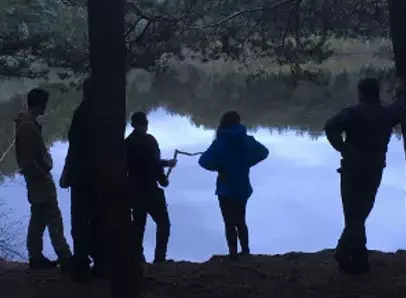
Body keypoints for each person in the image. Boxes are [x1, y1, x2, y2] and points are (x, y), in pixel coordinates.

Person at [325, 77, 400, 274]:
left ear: (360, 92)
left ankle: (347, 255)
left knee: (353, 214)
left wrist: (343, 149)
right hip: (375, 169)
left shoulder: (353, 112)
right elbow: (399, 107)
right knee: (360, 212)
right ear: (377, 92)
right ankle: (357, 259)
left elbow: (330, 126)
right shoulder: (387, 113)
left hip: (353, 168)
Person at [198, 111, 269, 260]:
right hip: (242, 188)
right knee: (241, 221)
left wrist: (218, 166)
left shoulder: (219, 142)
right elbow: (264, 152)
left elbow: (203, 161)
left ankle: (233, 254)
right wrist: (248, 162)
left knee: (229, 223)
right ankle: (246, 252)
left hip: (225, 188)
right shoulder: (246, 140)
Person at [15, 88, 72, 270]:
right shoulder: (27, 128)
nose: (45, 107)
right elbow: (28, 161)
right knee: (54, 218)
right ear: (39, 104)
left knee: (38, 219)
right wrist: (42, 176)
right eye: (44, 104)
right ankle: (65, 257)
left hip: (36, 182)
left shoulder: (28, 125)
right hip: (40, 182)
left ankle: (36, 257)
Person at [59, 77, 108, 282]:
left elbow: (75, 148)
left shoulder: (81, 113)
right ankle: (100, 262)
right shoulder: (106, 113)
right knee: (96, 219)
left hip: (82, 177)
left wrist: (67, 173)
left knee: (80, 220)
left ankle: (81, 263)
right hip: (99, 176)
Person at [125, 111, 177, 264]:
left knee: (138, 226)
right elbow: (153, 164)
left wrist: (166, 163)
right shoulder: (150, 141)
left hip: (134, 190)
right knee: (164, 224)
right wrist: (163, 179)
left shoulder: (126, 143)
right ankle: (159, 258)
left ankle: (136, 258)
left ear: (133, 124)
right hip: (150, 190)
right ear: (145, 124)